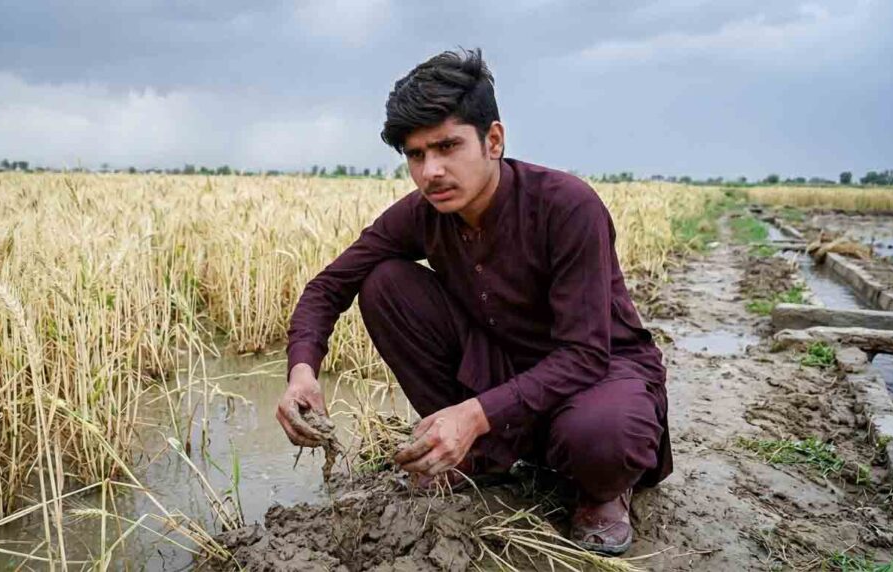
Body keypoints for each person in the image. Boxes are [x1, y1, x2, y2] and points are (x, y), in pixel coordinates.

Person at [275, 47, 671, 555]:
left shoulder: (567, 206)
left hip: (597, 375)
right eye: (416, 155)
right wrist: (302, 371)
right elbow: (329, 286)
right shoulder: (422, 214)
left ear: (494, 140)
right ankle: (478, 457)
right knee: (383, 282)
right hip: (504, 366)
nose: (431, 171)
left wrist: (476, 413)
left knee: (602, 438)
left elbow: (585, 354)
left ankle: (600, 491)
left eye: (446, 147)